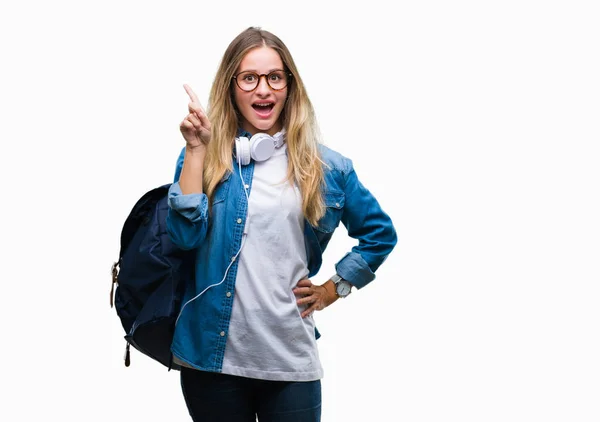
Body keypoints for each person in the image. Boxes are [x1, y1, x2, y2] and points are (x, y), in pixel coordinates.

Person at [166, 26, 397, 422]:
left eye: (275, 77)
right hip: (211, 360)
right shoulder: (206, 156)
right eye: (249, 78)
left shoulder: (329, 169)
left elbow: (379, 235)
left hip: (289, 359)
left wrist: (333, 289)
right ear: (231, 87)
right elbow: (184, 238)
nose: (263, 90)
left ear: (289, 85)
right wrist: (195, 150)